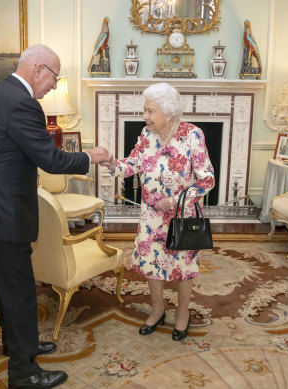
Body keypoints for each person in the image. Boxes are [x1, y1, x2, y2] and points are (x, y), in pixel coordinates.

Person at [0, 44, 110, 389]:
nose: (53, 86)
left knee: (6, 286)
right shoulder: (22, 103)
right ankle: (24, 372)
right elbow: (52, 161)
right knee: (19, 290)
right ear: (39, 69)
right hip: (4, 214)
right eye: (54, 78)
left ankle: (16, 345)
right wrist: (94, 156)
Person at [101, 83, 215, 341]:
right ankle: (157, 310)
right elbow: (132, 164)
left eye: (151, 111)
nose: (145, 117)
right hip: (152, 216)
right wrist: (111, 163)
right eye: (145, 111)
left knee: (183, 267)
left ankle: (182, 313)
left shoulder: (192, 135)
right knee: (152, 264)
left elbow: (207, 180)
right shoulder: (146, 135)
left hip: (182, 215)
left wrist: (175, 201)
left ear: (168, 112)